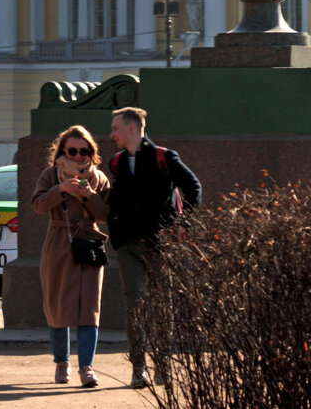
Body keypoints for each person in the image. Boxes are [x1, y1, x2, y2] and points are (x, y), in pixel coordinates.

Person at [106, 106, 202, 389]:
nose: (112, 134)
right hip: (127, 244)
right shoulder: (116, 162)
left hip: (160, 242)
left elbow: (193, 187)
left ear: (132, 129)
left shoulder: (164, 157)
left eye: (115, 128)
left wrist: (185, 222)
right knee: (133, 305)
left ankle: (163, 366)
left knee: (162, 304)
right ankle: (139, 369)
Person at [31, 125, 111, 388]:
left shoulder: (99, 178)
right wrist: (61, 189)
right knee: (57, 306)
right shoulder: (51, 174)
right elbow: (38, 205)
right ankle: (62, 363)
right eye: (72, 150)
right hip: (58, 243)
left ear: (91, 151)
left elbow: (106, 215)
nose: (78, 156)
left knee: (90, 309)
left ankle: (86, 368)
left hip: (89, 244)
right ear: (62, 151)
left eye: (84, 150)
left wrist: (89, 196)